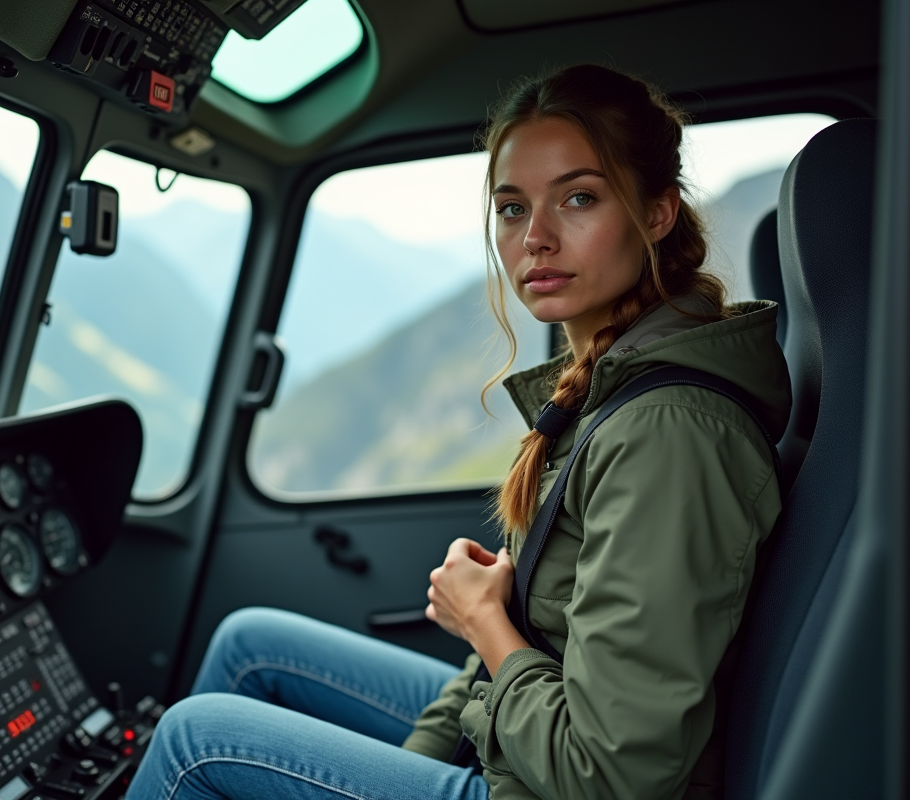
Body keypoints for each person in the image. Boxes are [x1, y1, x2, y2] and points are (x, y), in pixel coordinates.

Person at [123, 64, 790, 800]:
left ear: (657, 213)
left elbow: (610, 773)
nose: (535, 238)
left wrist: (482, 620)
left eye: (578, 198)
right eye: (512, 208)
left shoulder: (668, 433)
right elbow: (526, 650)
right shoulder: (607, 392)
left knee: (196, 741)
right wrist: (415, 763)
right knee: (250, 645)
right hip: (526, 745)